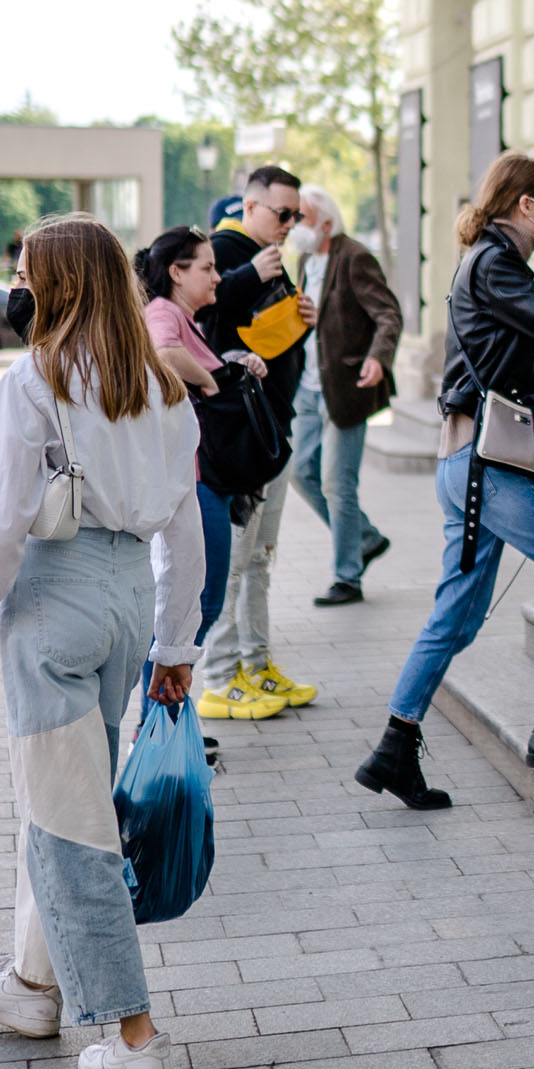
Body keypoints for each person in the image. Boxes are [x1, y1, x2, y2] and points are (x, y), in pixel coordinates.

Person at [0, 215, 204, 1069]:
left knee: (71, 827)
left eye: (25, 274)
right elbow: (185, 528)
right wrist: (175, 641)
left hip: (56, 598)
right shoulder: (163, 386)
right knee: (68, 803)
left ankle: (135, 1036)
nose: (18, 287)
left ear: (63, 285)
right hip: (128, 602)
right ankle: (29, 985)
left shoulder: (35, 379)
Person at [356, 153, 534, 811]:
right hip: (489, 469)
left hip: (469, 463)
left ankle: (394, 747)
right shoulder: (495, 264)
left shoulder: (489, 259)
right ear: (527, 205)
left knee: (455, 619)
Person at [191, 164, 319, 714]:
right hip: (240, 434)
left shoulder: (266, 256)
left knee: (260, 557)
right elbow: (200, 323)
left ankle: (256, 663)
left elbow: (266, 338)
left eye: (297, 216)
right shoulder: (223, 250)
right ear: (250, 206)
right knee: (236, 560)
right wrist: (247, 276)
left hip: (271, 427)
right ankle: (221, 678)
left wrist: (303, 319)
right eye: (282, 213)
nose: (290, 224)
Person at [134, 226, 265, 720]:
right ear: (176, 272)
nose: (217, 278)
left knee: (197, 602)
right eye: (207, 268)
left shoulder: (185, 318)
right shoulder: (163, 312)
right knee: (199, 602)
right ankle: (156, 720)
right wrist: (212, 381)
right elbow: (164, 353)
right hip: (197, 479)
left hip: (206, 476)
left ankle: (161, 719)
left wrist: (229, 363)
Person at [290, 184, 398, 606]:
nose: (294, 225)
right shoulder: (305, 259)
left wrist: (378, 357)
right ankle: (365, 537)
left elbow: (387, 314)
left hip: (345, 387)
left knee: (338, 483)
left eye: (301, 217)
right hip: (307, 387)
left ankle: (347, 576)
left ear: (327, 223)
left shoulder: (354, 257)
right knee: (301, 472)